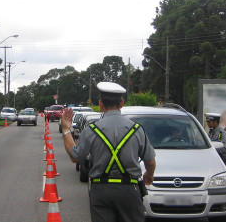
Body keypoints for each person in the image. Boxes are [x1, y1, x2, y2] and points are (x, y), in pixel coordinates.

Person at [61, 81, 156, 222]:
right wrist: (149, 174)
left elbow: (75, 156)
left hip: (101, 191)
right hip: (130, 191)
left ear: (100, 104)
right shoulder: (137, 129)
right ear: (122, 103)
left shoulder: (91, 129)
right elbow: (150, 161)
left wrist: (66, 130)